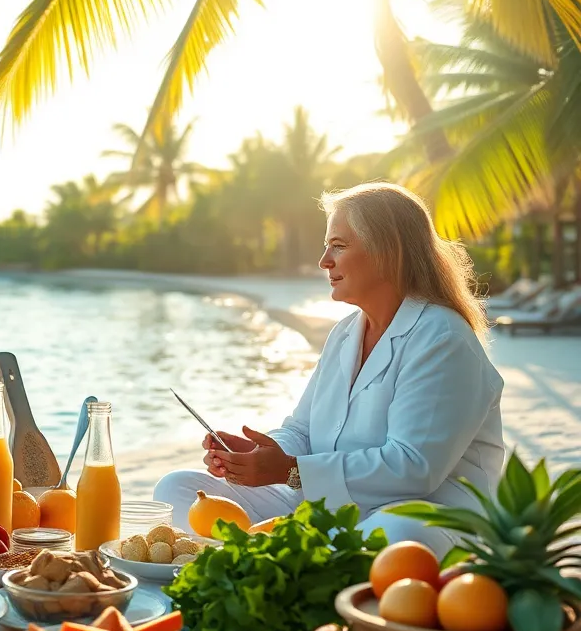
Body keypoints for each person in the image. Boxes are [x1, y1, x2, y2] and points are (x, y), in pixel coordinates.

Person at [154, 182, 504, 555]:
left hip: (420, 516)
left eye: (338, 245)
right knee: (176, 489)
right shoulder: (346, 334)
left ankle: (272, 556)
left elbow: (413, 468)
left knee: (391, 534)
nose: (324, 261)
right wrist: (263, 453)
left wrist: (289, 470)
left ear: (387, 251)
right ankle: (271, 556)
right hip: (329, 507)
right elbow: (303, 430)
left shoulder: (441, 336)